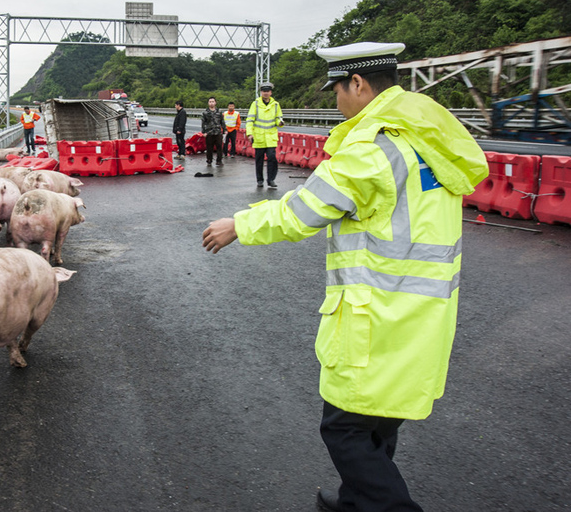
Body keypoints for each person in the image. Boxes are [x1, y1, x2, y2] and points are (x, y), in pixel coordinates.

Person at [201, 42, 488, 512]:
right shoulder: (426, 140)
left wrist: (239, 225)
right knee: (379, 418)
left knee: (345, 428)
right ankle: (357, 500)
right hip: (422, 312)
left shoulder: (372, 150)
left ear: (358, 84)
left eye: (336, 90)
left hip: (377, 314)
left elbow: (303, 211)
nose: (336, 101)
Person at [246, 81, 284, 188]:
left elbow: (278, 118)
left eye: (267, 91)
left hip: (271, 137)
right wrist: (249, 134)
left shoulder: (276, 105)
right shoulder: (255, 104)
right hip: (259, 137)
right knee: (259, 160)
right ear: (261, 92)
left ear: (271, 92)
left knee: (272, 157)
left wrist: (280, 123)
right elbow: (250, 120)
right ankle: (260, 180)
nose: (266, 93)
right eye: (264, 91)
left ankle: (271, 179)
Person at [202, 96, 225, 166]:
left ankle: (219, 160)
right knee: (209, 148)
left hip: (218, 132)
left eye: (213, 102)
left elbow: (222, 121)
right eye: (210, 102)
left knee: (219, 147)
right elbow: (203, 123)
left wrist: (225, 130)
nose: (211, 103)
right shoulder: (205, 112)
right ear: (208, 103)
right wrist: (204, 132)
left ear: (215, 103)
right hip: (209, 132)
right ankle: (209, 160)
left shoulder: (219, 112)